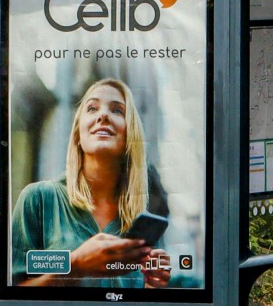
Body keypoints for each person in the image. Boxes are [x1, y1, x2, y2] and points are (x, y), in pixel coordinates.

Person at [8, 78, 171, 289]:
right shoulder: (38, 199)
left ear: (130, 134)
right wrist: (76, 265)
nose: (103, 115)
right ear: (78, 134)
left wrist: (152, 286)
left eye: (117, 110)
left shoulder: (142, 223)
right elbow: (12, 296)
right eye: (92, 108)